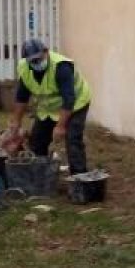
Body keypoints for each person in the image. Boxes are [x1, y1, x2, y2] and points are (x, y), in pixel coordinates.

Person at [8, 38, 92, 174]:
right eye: (32, 61)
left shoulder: (61, 66)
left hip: (76, 104)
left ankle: (79, 177)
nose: (36, 63)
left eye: (39, 59)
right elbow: (22, 96)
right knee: (37, 141)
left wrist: (60, 126)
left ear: (46, 52)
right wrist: (16, 121)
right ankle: (40, 174)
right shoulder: (24, 68)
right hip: (48, 108)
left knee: (72, 139)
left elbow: (69, 98)